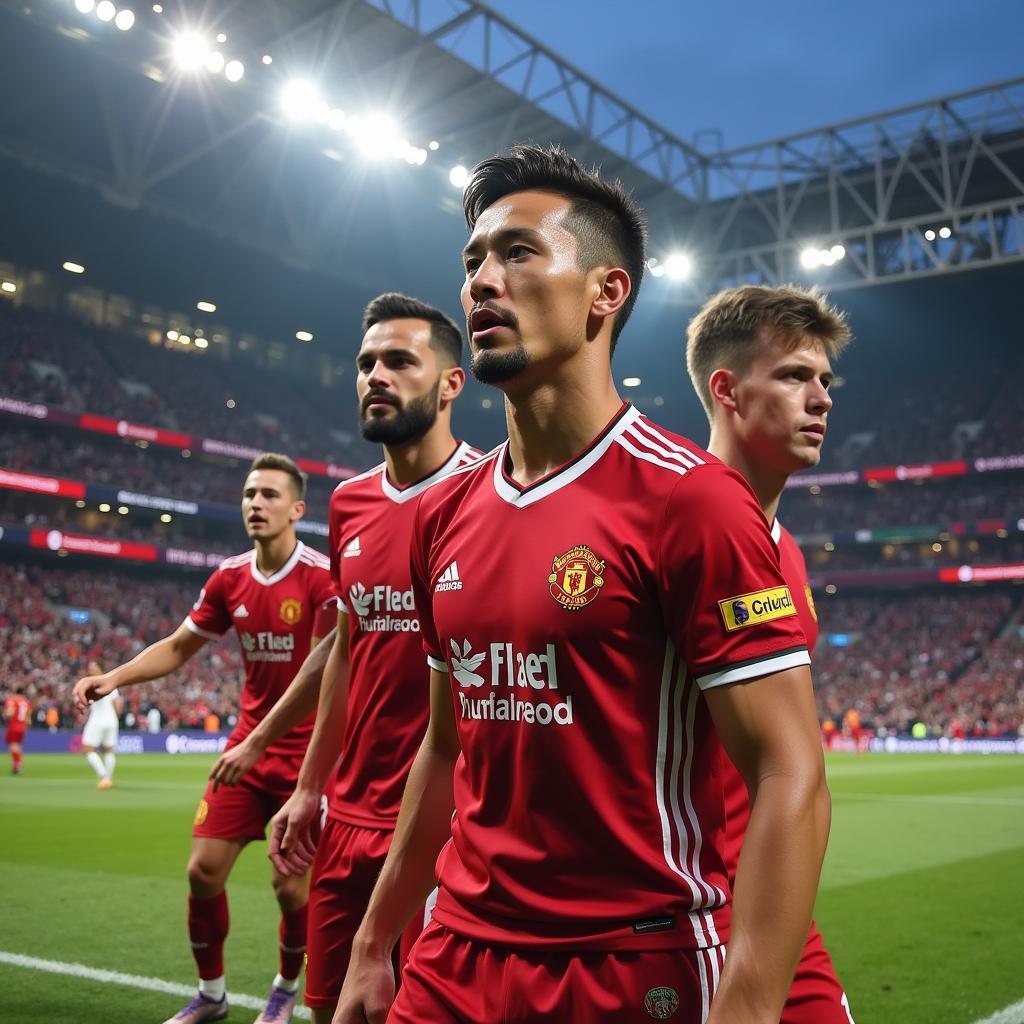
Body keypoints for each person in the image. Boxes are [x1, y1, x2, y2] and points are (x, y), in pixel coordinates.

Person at [335, 144, 830, 1024]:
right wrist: (377, 943)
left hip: (631, 963)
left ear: (607, 292)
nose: (484, 280)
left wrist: (748, 1007)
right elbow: (447, 748)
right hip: (454, 957)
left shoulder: (692, 502)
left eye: (519, 252)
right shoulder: (443, 517)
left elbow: (791, 772)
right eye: (473, 260)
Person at [208, 293, 477, 1024]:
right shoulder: (352, 503)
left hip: (444, 825)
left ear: (451, 383)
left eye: (398, 361)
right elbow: (348, 651)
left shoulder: (487, 495)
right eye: (365, 364)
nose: (375, 377)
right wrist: (308, 786)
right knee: (330, 1012)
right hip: (348, 817)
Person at [73, 453, 336, 1024]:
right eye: (248, 494)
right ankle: (212, 996)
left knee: (291, 890)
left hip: (306, 757)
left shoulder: (322, 577)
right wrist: (112, 678)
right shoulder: (229, 577)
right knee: (202, 870)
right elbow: (178, 645)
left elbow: (325, 675)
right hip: (247, 750)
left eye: (268, 495)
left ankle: (286, 987)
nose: (255, 504)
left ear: (297, 509)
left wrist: (262, 743)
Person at [686, 283, 856, 1023]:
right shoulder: (671, 518)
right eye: (794, 376)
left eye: (825, 381)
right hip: (673, 910)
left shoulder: (783, 547)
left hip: (764, 899)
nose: (820, 398)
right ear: (727, 389)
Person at [80, 659, 123, 789]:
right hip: (112, 721)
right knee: (109, 750)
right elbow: (118, 704)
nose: (90, 669)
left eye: (92, 666)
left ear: (100, 668)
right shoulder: (110, 682)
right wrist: (115, 718)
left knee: (88, 749)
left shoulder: (91, 683)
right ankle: (108, 778)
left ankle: (104, 775)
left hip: (98, 720)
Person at [3, 686, 32, 775]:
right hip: (22, 726)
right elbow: (29, 719)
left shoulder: (12, 700)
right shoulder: (27, 702)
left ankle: (17, 766)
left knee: (13, 745)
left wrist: (5, 715)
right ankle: (18, 765)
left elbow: (10, 712)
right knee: (18, 745)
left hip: (14, 725)